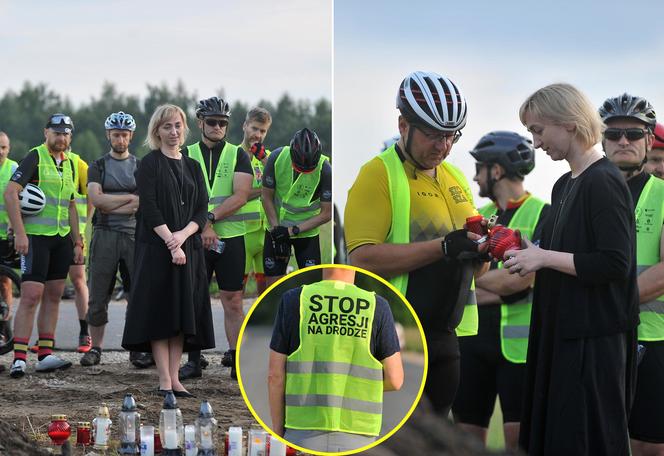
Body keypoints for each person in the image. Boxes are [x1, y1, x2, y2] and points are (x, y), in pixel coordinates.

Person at [344, 71, 487, 418]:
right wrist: (442, 247)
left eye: (452, 136)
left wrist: (482, 250)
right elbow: (361, 258)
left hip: (446, 335)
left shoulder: (454, 177)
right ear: (403, 124)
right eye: (434, 135)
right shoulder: (377, 174)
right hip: (397, 333)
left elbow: (477, 271)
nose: (444, 146)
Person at [507, 83, 638, 455]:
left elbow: (614, 262)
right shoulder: (564, 184)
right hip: (560, 338)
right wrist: (519, 249)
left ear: (568, 123)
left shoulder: (605, 181)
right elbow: (556, 252)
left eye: (538, 130)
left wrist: (543, 258)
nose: (535, 143)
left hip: (591, 346)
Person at [451, 131, 549, 450]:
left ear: (496, 170)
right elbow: (457, 280)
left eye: (479, 168)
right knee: (464, 439)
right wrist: (501, 284)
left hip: (519, 350)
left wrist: (472, 281)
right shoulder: (478, 219)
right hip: (472, 343)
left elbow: (520, 282)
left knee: (518, 441)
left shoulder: (543, 214)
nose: (475, 175)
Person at [121, 104, 214, 397]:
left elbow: (201, 210)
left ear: (184, 128)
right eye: (166, 127)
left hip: (189, 250)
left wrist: (184, 236)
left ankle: (175, 378)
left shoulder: (193, 166)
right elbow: (149, 208)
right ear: (156, 132)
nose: (173, 132)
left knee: (179, 318)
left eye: (177, 126)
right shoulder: (149, 164)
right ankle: (163, 380)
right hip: (156, 251)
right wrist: (172, 242)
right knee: (161, 316)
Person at [268, 266, 403, 453]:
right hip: (360, 436)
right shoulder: (376, 305)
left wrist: (278, 434)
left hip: (302, 434)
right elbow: (395, 380)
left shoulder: (295, 300)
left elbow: (275, 376)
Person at [599, 93, 664, 456]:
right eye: (614, 133)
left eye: (634, 134)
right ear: (601, 140)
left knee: (647, 447)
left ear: (649, 141)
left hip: (651, 341)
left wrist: (607, 304)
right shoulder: (580, 191)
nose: (624, 141)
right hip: (595, 340)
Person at [4, 113, 84, 378]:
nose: (61, 138)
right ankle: (19, 358)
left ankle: (45, 354)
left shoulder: (71, 163)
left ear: (70, 136)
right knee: (30, 297)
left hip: (61, 240)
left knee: (54, 295)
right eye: (56, 132)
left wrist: (77, 241)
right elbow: (10, 193)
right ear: (46, 132)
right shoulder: (35, 157)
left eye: (65, 133)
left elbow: (72, 204)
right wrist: (20, 232)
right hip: (36, 238)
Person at [179, 96, 252, 381]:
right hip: (196, 237)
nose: (218, 127)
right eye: (212, 122)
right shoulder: (186, 153)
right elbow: (182, 196)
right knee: (195, 298)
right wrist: (203, 225)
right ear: (200, 123)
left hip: (231, 237)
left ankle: (235, 360)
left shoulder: (238, 154)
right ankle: (194, 360)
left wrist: (209, 219)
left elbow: (241, 196)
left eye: (223, 122)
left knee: (233, 300)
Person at [80, 111, 153, 369]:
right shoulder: (97, 165)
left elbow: (143, 202)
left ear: (131, 136)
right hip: (104, 235)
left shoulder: (141, 165)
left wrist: (113, 202)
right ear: (108, 135)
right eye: (116, 134)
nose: (120, 139)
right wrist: (128, 200)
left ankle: (137, 349)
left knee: (138, 295)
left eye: (124, 134)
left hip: (135, 236)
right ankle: (95, 348)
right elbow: (97, 201)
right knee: (98, 296)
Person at [261, 128, 332, 287]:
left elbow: (327, 213)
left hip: (306, 233)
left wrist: (294, 230)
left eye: (309, 169)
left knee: (312, 286)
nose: (304, 172)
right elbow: (266, 197)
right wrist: (277, 230)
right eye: (299, 167)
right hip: (276, 229)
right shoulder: (276, 157)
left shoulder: (325, 169)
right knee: (273, 288)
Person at [239, 107, 272, 297]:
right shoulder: (233, 154)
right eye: (254, 128)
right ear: (244, 126)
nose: (257, 135)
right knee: (236, 296)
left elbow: (282, 186)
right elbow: (237, 194)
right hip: (242, 234)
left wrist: (267, 160)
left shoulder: (267, 157)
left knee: (266, 296)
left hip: (265, 234)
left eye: (263, 131)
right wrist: (265, 190)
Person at [0, 131, 18, 356]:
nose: (0, 152)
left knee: (4, 282)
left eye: (3, 147)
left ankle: (5, 328)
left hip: (6, 234)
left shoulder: (14, 169)